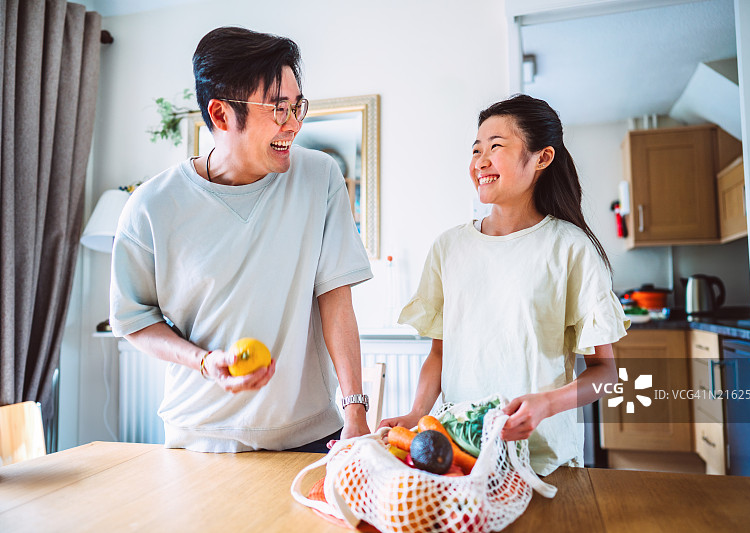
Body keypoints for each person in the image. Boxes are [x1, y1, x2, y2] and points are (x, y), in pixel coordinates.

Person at [109, 27, 373, 454]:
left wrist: (356, 412)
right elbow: (134, 321)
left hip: (309, 435)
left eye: (297, 106)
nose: (294, 124)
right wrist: (204, 362)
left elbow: (336, 301)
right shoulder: (151, 208)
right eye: (278, 109)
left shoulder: (319, 177)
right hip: (199, 439)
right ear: (220, 115)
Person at [379, 94, 629, 475]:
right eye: (476, 149)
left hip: (543, 460)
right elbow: (440, 355)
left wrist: (546, 404)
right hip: (462, 459)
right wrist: (417, 413)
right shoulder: (449, 247)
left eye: (496, 147)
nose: (481, 161)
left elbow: (604, 373)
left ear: (542, 158)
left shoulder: (570, 248)